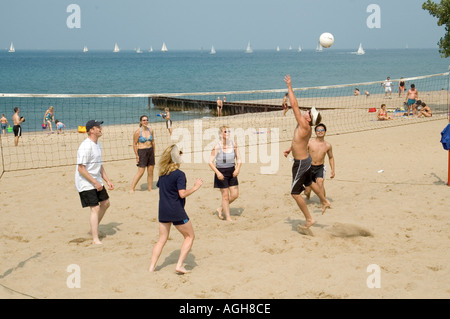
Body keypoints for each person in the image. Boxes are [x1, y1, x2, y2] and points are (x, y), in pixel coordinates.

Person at [283, 75, 330, 233]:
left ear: (310, 119)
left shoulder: (304, 124)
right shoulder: (304, 125)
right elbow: (298, 141)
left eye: (309, 112)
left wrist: (290, 86)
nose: (306, 111)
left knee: (295, 193)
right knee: (310, 183)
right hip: (306, 160)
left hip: (301, 163)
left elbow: (294, 105)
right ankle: (324, 201)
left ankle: (309, 218)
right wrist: (290, 149)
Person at [149, 144, 203, 274]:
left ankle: (151, 268)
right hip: (176, 210)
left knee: (161, 240)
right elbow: (182, 194)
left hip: (163, 209)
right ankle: (179, 265)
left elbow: (164, 190)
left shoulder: (162, 175)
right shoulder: (179, 174)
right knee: (190, 236)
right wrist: (196, 187)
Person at [75, 120, 114, 245]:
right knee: (95, 208)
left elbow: (99, 165)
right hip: (85, 181)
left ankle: (94, 228)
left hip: (95, 179)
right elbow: (81, 168)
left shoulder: (98, 144)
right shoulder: (85, 146)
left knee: (106, 203)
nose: (100, 128)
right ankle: (95, 238)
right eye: (98, 127)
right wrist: (94, 182)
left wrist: (107, 180)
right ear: (91, 130)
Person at [209, 126, 242, 222]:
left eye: (229, 131)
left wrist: (238, 169)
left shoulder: (234, 144)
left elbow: (239, 159)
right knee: (225, 196)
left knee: (235, 194)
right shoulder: (217, 146)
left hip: (232, 170)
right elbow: (210, 162)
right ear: (220, 134)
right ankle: (228, 218)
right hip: (221, 172)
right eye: (225, 131)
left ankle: (220, 208)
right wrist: (218, 173)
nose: (227, 133)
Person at [304, 123, 335, 200]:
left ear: (325, 132)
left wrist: (333, 170)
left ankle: (324, 201)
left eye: (322, 130)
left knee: (320, 183)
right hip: (309, 167)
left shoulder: (328, 145)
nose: (320, 131)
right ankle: (307, 196)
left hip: (320, 167)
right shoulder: (310, 142)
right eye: (318, 130)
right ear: (315, 132)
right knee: (307, 190)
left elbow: (331, 157)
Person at [130, 115, 155, 193]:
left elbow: (153, 142)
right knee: (141, 171)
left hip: (150, 151)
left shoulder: (151, 130)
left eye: (147, 120)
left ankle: (150, 189)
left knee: (150, 171)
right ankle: (132, 188)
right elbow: (134, 144)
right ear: (141, 122)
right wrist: (137, 155)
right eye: (144, 120)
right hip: (142, 151)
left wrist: (154, 152)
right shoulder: (138, 132)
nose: (145, 121)